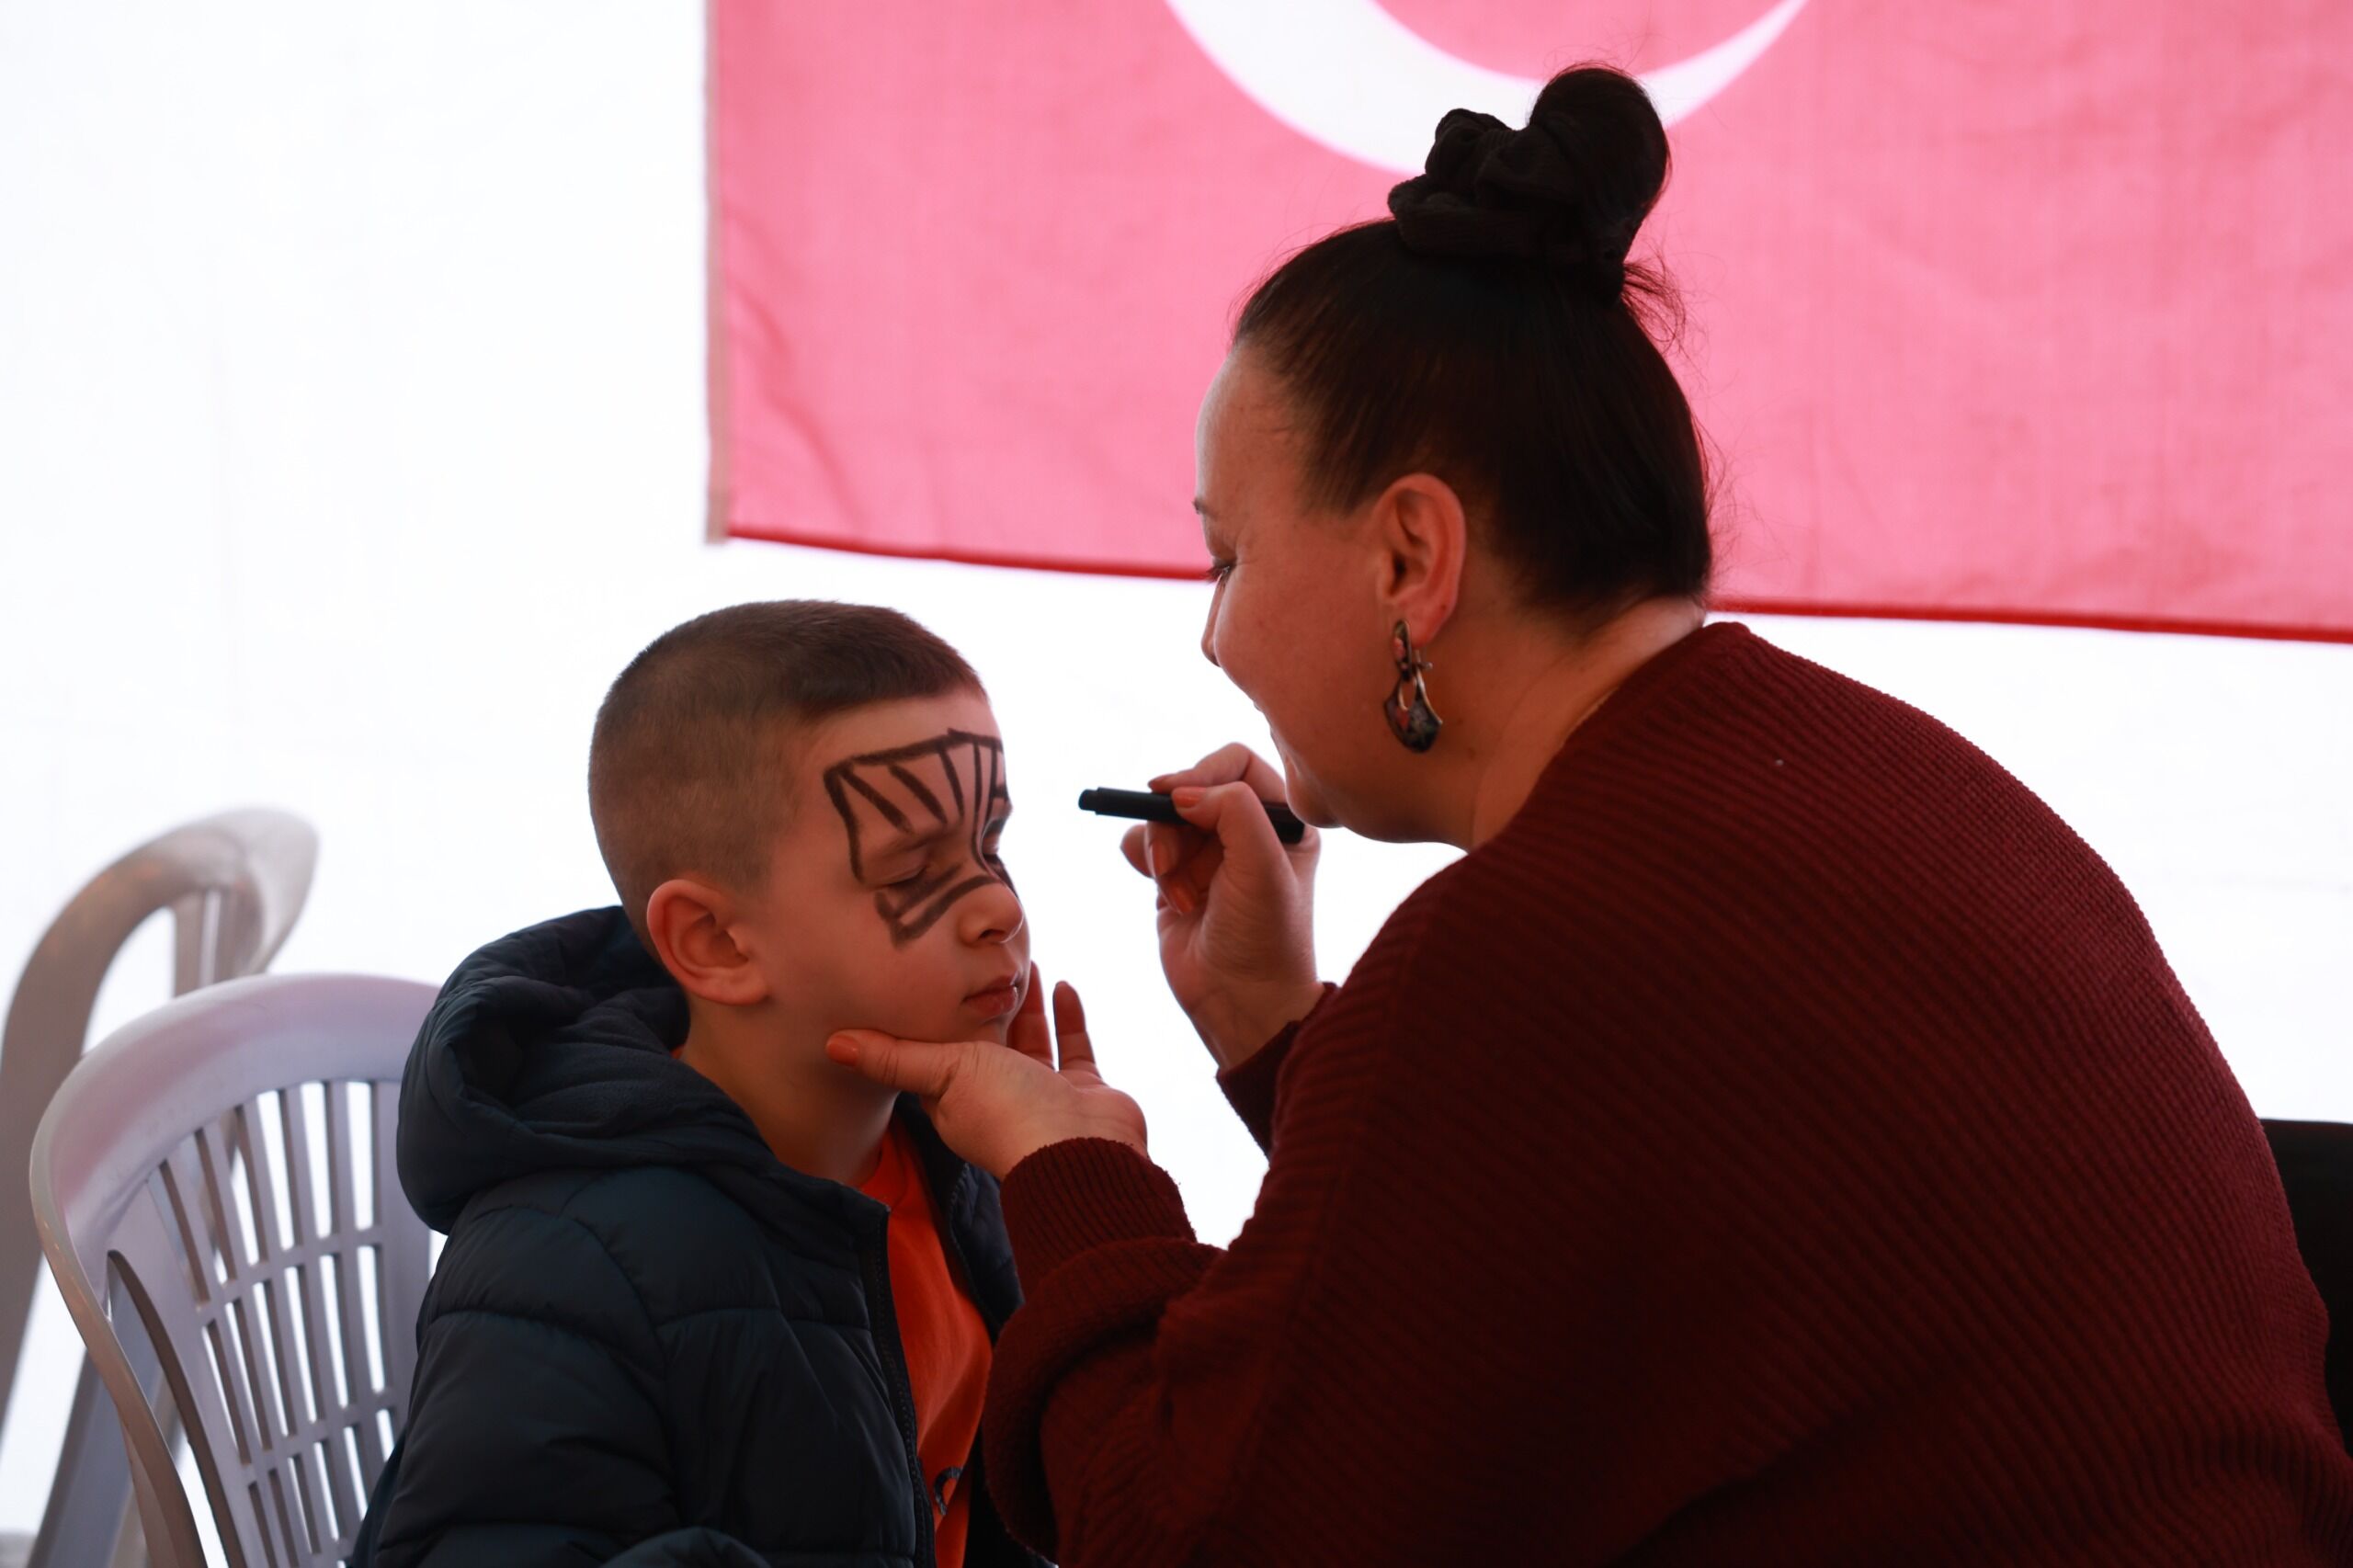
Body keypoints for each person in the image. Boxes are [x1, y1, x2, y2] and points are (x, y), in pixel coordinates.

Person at [824, 65, 2353, 1565]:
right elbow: (1562, 1276)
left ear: (1412, 557)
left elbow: (1192, 1532)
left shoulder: (1541, 943)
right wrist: (1281, 1029)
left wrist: (1067, 1168)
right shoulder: (1871, 766)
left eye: (1228, 559)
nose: (1213, 636)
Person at [355, 601, 1049, 1568]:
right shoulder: (566, 1273)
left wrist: (1070, 1200)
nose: (998, 907)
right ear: (715, 942)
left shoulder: (952, 1157)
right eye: (911, 871)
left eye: (992, 843)